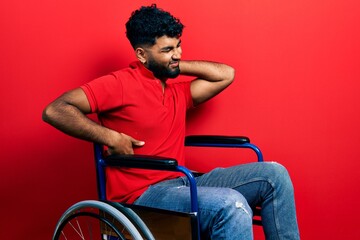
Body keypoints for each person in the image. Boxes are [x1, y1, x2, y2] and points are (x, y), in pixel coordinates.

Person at [43, 4, 300, 240]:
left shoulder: (177, 90)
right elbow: (55, 110)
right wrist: (110, 137)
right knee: (230, 204)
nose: (177, 53)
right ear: (142, 54)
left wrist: (172, 62)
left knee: (274, 175)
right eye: (167, 49)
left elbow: (226, 74)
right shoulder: (120, 84)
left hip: (181, 182)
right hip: (144, 195)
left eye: (178, 45)